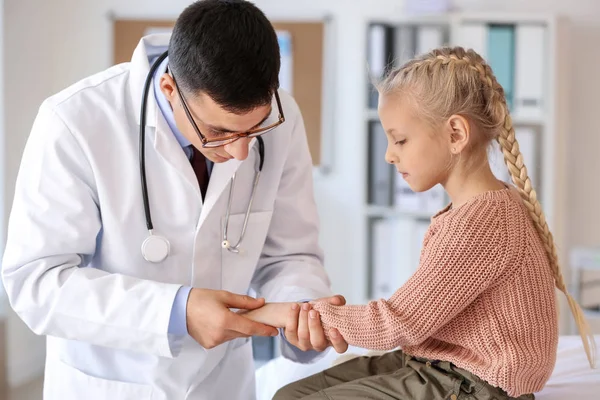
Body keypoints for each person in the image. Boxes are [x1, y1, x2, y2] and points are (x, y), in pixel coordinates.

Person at [0, 1, 348, 399]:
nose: (240, 153)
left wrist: (301, 312)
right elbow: (37, 283)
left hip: (222, 382)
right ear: (170, 90)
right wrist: (177, 310)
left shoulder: (283, 120)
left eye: (254, 130)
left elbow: (290, 255)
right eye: (219, 131)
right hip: (113, 382)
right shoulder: (75, 122)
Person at [242, 46, 598, 400]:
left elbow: (395, 322)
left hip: (477, 386)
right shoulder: (478, 210)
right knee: (287, 394)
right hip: (435, 362)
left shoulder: (482, 224)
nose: (389, 154)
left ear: (456, 134)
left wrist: (283, 312)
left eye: (400, 139)